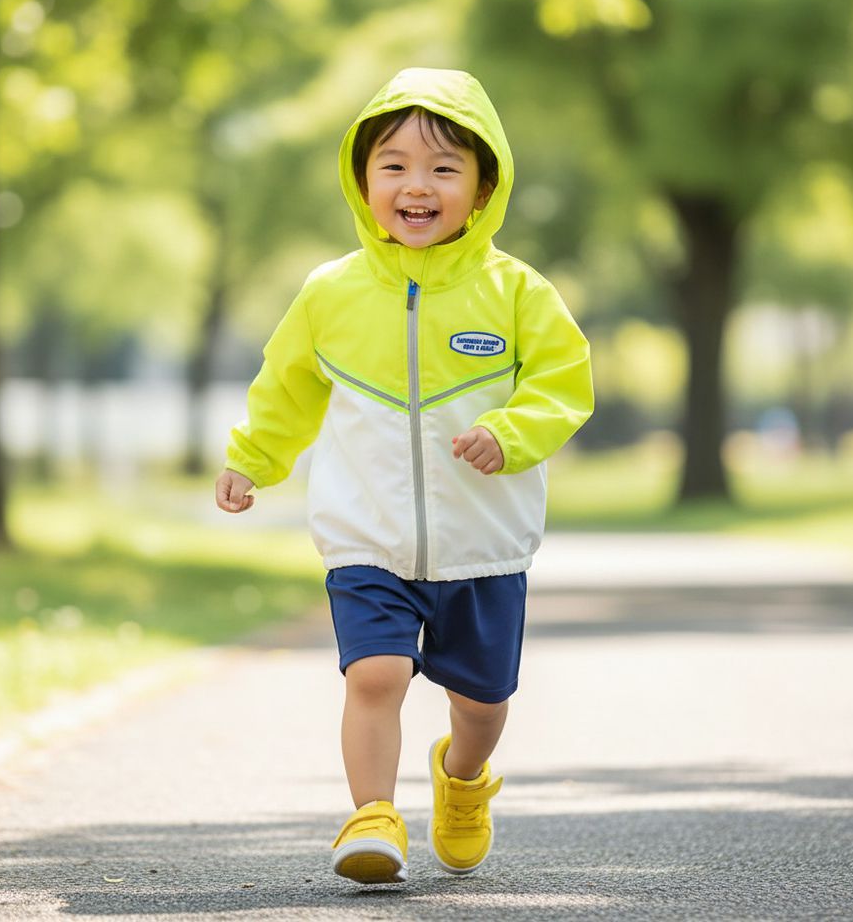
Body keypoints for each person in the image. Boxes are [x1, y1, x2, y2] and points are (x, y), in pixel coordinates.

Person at [215, 67, 593, 884]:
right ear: (361, 181)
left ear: (484, 186)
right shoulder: (329, 294)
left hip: (482, 544)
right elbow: (287, 388)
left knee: (483, 705)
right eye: (393, 166)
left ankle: (461, 780)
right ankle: (372, 817)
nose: (416, 186)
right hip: (368, 536)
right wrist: (252, 459)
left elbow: (564, 384)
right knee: (376, 673)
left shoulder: (518, 292)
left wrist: (511, 431)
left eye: (443, 169)